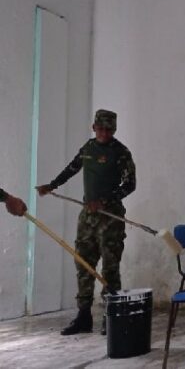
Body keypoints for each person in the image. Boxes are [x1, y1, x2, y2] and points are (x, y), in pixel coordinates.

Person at [36, 109, 136, 336]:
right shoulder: (88, 149)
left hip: (111, 218)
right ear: (94, 127)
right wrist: (52, 186)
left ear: (114, 130)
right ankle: (83, 316)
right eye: (100, 128)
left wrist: (104, 201)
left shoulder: (121, 152)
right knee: (83, 263)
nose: (104, 133)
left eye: (109, 129)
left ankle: (111, 318)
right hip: (87, 217)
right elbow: (72, 168)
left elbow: (130, 184)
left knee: (110, 267)